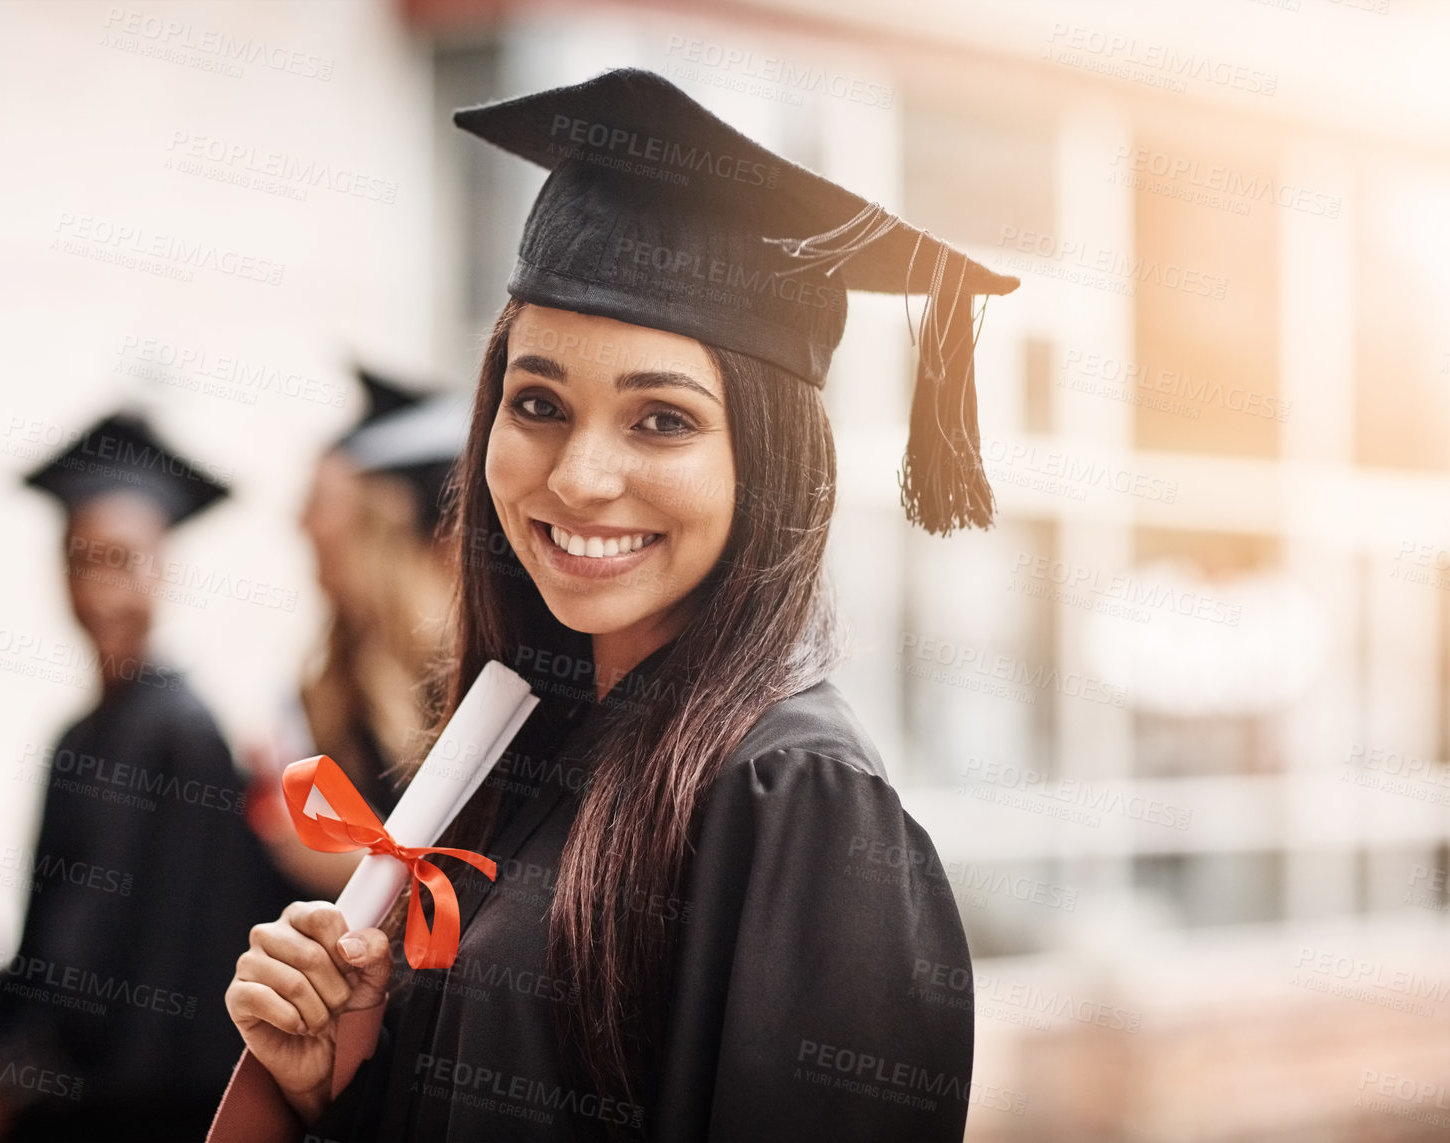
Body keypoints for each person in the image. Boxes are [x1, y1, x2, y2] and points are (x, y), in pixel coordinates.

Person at [215, 68, 1019, 1142]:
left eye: (660, 422)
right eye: (538, 403)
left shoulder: (795, 801)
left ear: (767, 463)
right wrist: (337, 1085)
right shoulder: (530, 745)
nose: (579, 478)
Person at [0, 413, 298, 1140]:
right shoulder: (77, 736)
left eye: (123, 560)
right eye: (83, 559)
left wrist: (22, 1067)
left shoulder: (181, 735)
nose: (101, 591)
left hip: (144, 1097)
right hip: (77, 1087)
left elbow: (147, 952)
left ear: (164, 568)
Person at [246, 370, 469, 899]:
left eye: (319, 501)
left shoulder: (461, 673)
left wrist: (361, 871)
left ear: (377, 522)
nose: (301, 523)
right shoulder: (331, 679)